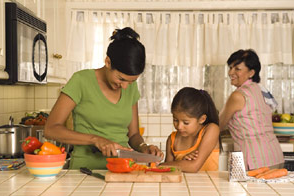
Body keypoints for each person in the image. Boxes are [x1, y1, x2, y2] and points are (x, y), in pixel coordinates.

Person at [44, 27, 163, 169]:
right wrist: (96, 140)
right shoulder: (81, 81)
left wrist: (144, 147)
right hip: (85, 171)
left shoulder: (130, 87)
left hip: (122, 169)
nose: (125, 87)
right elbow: (51, 129)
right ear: (108, 62)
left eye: (131, 81)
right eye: (121, 79)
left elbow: (134, 135)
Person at [219, 49, 284, 170]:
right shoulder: (260, 90)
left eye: (237, 69)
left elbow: (218, 125)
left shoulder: (238, 95)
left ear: (251, 72)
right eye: (230, 67)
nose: (230, 72)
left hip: (255, 161)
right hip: (275, 156)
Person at [160, 87, 220, 173]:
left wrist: (162, 165)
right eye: (175, 120)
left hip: (208, 186)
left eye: (186, 122)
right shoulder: (172, 140)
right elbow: (169, 171)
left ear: (202, 119)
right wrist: (183, 162)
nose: (179, 126)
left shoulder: (211, 129)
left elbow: (194, 167)